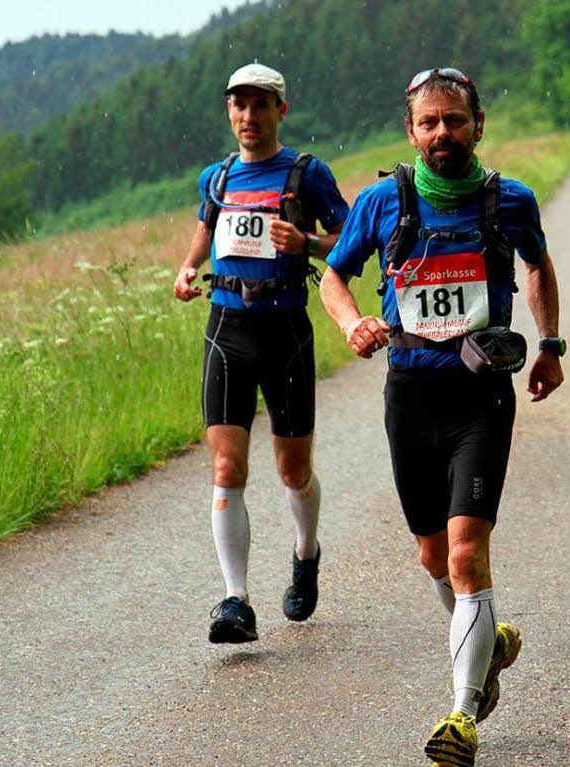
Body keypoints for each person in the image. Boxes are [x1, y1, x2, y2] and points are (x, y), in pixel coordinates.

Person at [319, 67, 564, 766]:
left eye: (454, 120)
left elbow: (539, 267)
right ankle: (486, 648)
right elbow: (334, 274)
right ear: (411, 132)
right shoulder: (380, 202)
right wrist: (351, 322)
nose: (442, 134)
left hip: (480, 397)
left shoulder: (509, 201)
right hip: (409, 394)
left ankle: (462, 715)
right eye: (429, 123)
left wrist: (550, 344)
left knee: (464, 549)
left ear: (478, 125)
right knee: (432, 554)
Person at [172, 63, 350, 644]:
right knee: (227, 467)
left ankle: (305, 553)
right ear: (229, 111)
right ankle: (235, 599)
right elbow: (208, 225)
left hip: (285, 330)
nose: (248, 117)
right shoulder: (217, 177)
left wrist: (307, 243)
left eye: (260, 105)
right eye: (238, 106)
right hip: (227, 326)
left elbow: (349, 243)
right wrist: (187, 266)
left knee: (292, 470)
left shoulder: (306, 172)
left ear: (281, 110)